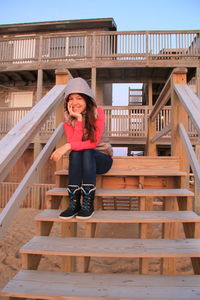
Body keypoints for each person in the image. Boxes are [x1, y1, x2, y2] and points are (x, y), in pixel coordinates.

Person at [50, 77, 113, 220]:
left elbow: (92, 143)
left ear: (87, 99)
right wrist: (78, 119)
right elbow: (75, 142)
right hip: (81, 159)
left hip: (101, 159)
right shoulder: (68, 119)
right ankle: (74, 204)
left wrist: (67, 145)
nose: (74, 102)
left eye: (79, 98)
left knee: (86, 150)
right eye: (70, 99)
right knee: (77, 152)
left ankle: (87, 203)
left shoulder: (98, 113)